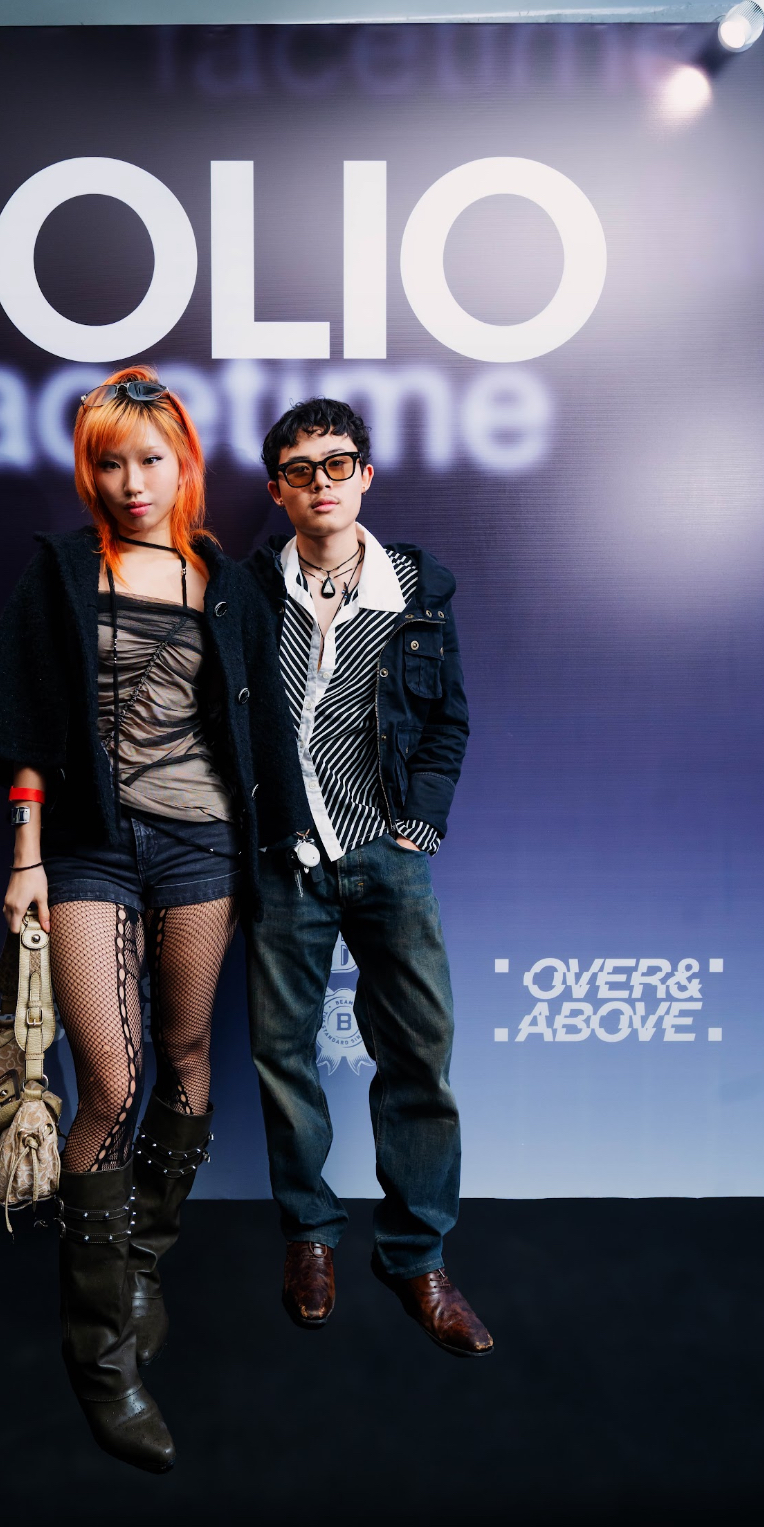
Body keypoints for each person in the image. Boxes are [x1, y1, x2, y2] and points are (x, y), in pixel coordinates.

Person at [0, 366, 307, 1472]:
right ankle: (100, 1353)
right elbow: (23, 724)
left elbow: (263, 726)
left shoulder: (226, 582)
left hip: (204, 847)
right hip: (90, 847)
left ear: (183, 462)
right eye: (110, 462)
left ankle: (140, 1257)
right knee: (111, 1081)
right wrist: (26, 856)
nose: (132, 481)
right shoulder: (63, 570)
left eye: (151, 459)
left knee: (188, 1056)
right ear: (88, 470)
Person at [242, 397, 493, 1356]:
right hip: (286, 857)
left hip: (385, 853)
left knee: (419, 1054)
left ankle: (417, 1257)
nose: (321, 482)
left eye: (337, 463)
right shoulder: (245, 590)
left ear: (365, 475)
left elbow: (447, 720)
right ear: (277, 489)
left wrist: (420, 823)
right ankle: (309, 1237)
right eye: (299, 470)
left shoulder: (417, 591)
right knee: (282, 1055)